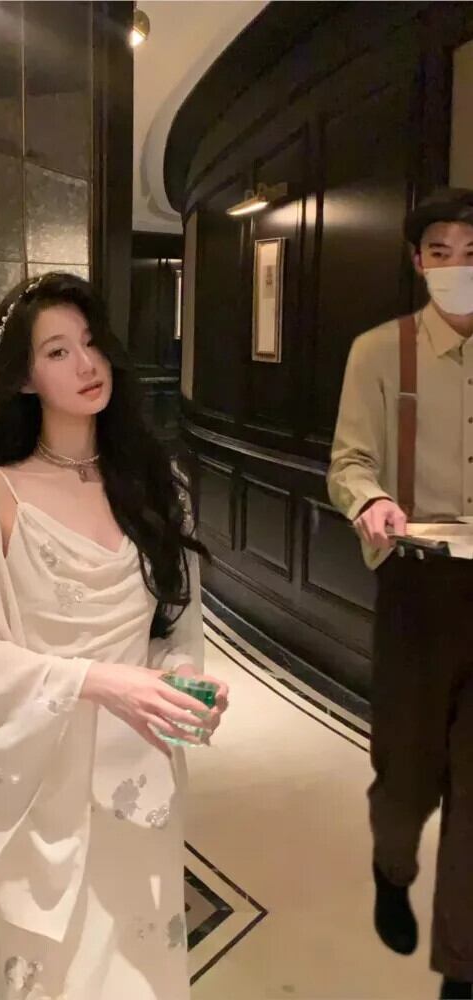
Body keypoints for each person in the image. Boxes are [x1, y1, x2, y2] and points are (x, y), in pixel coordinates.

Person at [0, 271, 229, 1000]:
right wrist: (100, 681)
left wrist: (188, 683)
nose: (87, 364)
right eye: (57, 351)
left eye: (91, 343)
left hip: (136, 774)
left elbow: (173, 624)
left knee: (138, 972)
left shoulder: (157, 484)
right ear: (22, 378)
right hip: (37, 786)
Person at [328, 189, 473, 1000]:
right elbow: (350, 461)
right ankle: (392, 869)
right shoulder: (381, 351)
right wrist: (372, 501)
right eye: (442, 252)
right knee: (407, 774)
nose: (458, 267)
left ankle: (463, 965)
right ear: (417, 261)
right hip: (420, 586)